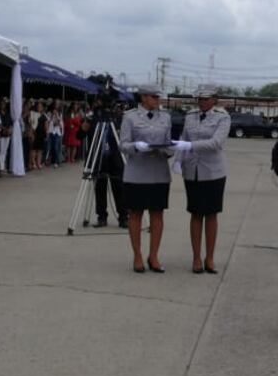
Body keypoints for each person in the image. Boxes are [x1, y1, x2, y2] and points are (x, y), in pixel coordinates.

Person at [175, 85, 231, 275]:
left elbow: (216, 143)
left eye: (206, 99)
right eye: (200, 99)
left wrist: (190, 145)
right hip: (193, 170)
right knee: (196, 213)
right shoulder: (190, 116)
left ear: (215, 99)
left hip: (213, 171)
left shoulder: (223, 117)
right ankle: (196, 257)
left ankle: (210, 257)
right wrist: (178, 161)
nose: (203, 102)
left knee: (212, 214)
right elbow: (183, 138)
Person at [120, 86, 174, 273]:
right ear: (143, 98)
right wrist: (137, 146)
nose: (157, 99)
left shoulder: (165, 117)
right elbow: (123, 144)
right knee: (135, 214)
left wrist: (169, 149)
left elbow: (168, 142)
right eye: (154, 96)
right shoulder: (130, 117)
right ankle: (137, 256)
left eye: (158, 96)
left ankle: (154, 255)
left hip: (159, 172)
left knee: (157, 214)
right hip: (137, 172)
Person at [87, 101, 127, 229]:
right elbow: (81, 134)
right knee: (100, 189)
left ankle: (123, 217)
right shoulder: (93, 118)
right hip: (99, 158)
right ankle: (101, 217)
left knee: (119, 189)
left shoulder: (118, 119)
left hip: (115, 159)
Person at [46, 102, 64, 168]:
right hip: (50, 132)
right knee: (49, 147)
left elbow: (59, 123)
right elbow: (48, 122)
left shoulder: (59, 114)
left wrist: (57, 116)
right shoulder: (49, 114)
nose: (55, 110)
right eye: (54, 108)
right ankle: (48, 160)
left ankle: (56, 162)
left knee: (56, 147)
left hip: (57, 133)